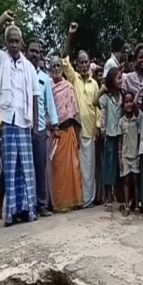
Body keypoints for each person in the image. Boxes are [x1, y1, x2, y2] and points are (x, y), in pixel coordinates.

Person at [0, 11, 40, 226]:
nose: (14, 45)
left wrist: (34, 124)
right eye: (11, 41)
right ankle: (12, 213)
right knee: (10, 167)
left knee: (26, 168)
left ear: (22, 43)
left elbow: (35, 97)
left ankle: (27, 210)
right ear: (6, 44)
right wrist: (2, 19)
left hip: (25, 123)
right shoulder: (2, 60)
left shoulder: (29, 67)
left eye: (17, 41)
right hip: (8, 121)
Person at [61, 23, 100, 209]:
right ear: (78, 64)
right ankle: (79, 199)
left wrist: (99, 126)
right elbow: (63, 60)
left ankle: (88, 200)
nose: (84, 65)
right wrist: (70, 36)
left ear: (89, 63)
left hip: (90, 132)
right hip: (76, 131)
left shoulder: (94, 84)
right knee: (78, 168)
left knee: (89, 169)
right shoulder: (74, 78)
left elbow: (98, 108)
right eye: (81, 62)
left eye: (86, 62)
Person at [26, 39, 60, 217]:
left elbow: (50, 104)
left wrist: (55, 125)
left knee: (40, 168)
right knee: (24, 169)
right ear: (26, 52)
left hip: (39, 129)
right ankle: (26, 206)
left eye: (37, 52)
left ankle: (41, 204)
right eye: (31, 51)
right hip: (23, 127)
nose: (34, 54)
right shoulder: (22, 72)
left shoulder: (44, 79)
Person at [49, 56, 83, 211]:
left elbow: (75, 113)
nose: (56, 68)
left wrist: (78, 134)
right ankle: (60, 202)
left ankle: (74, 200)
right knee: (57, 167)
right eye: (53, 66)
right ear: (50, 68)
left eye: (58, 66)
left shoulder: (68, 86)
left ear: (62, 68)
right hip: (55, 132)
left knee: (73, 167)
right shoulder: (48, 87)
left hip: (69, 132)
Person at [96, 67, 124, 209]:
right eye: (118, 78)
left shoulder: (123, 96)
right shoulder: (106, 98)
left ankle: (119, 196)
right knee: (109, 165)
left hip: (121, 135)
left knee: (120, 165)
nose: (121, 80)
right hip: (110, 135)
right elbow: (95, 102)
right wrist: (102, 90)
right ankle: (107, 196)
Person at [118, 92, 141, 216]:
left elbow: (139, 136)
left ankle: (137, 206)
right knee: (126, 181)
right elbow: (120, 140)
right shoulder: (121, 122)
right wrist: (120, 157)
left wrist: (139, 154)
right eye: (126, 102)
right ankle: (127, 206)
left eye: (131, 101)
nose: (129, 104)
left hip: (135, 154)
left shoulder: (137, 120)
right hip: (125, 156)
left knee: (136, 181)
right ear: (123, 104)